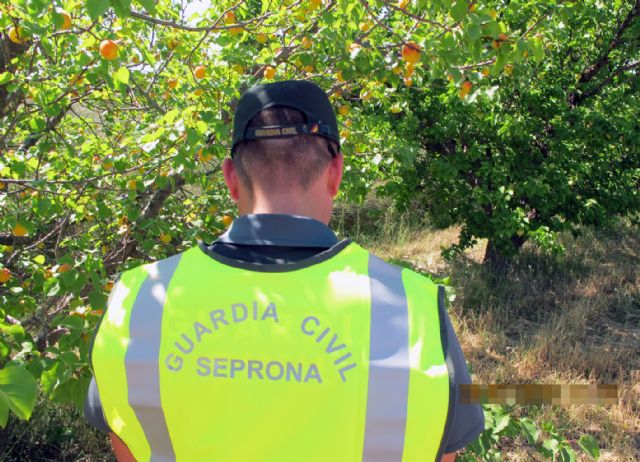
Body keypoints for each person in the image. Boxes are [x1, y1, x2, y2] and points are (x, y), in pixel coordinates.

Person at [85, 79, 484, 461]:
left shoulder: (139, 301)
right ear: (336, 173)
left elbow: (129, 447)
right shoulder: (412, 309)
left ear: (230, 178)